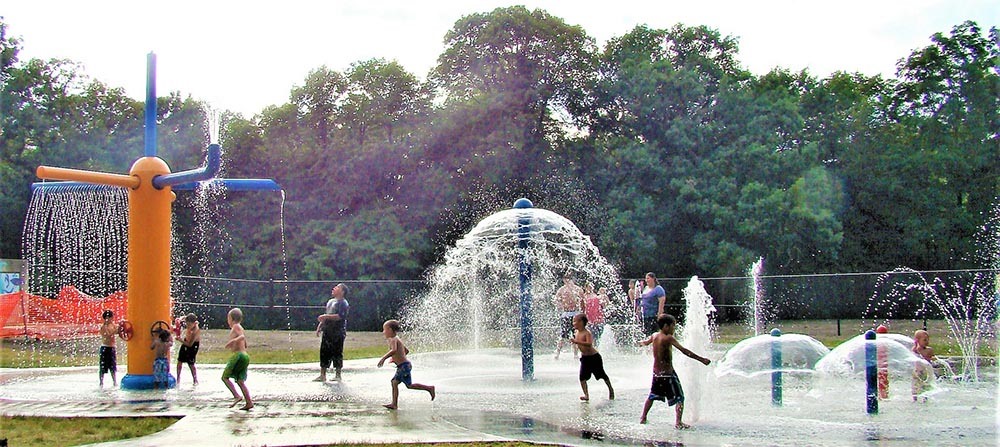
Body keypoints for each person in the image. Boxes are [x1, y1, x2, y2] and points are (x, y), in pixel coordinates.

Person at [638, 313, 711, 428]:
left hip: (656, 374)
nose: (674, 329)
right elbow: (684, 351)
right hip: (668, 375)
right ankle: (678, 422)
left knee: (652, 396)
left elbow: (645, 343)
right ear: (666, 326)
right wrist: (701, 359)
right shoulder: (668, 338)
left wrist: (641, 343)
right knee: (680, 397)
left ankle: (643, 417)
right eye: (673, 326)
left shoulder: (654, 336)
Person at [377, 319, 435, 409]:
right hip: (404, 365)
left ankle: (429, 388)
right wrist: (397, 358)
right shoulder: (396, 339)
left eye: (384, 329)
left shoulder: (393, 339)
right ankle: (394, 404)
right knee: (397, 383)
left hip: (404, 366)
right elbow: (406, 351)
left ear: (390, 330)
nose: (383, 332)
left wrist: (384, 358)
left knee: (402, 384)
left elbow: (394, 350)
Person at [570, 313, 614, 401]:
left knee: (601, 374)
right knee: (582, 377)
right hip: (585, 358)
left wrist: (577, 342)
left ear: (581, 322)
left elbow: (589, 344)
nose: (573, 323)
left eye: (575, 321)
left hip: (594, 357)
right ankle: (586, 395)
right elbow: (577, 344)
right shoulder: (577, 332)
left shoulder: (587, 333)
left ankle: (611, 390)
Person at [315, 283, 350, 382]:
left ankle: (338, 375)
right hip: (327, 331)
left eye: (337, 287)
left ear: (342, 292)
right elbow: (327, 314)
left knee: (337, 352)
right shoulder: (330, 302)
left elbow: (340, 316)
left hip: (338, 331)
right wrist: (320, 326)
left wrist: (325, 317)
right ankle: (323, 374)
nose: (334, 288)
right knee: (324, 351)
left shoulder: (343, 303)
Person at [223, 307, 253, 410]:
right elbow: (245, 343)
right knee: (240, 381)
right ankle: (249, 402)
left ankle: (236, 396)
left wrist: (232, 342)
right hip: (245, 355)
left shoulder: (236, 326)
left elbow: (242, 338)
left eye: (228, 318)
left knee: (225, 377)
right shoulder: (240, 327)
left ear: (231, 318)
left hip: (238, 355)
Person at [553, 273, 584, 359]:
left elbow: (582, 301)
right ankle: (557, 353)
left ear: (572, 280)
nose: (567, 281)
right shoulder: (561, 290)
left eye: (569, 279)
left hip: (575, 313)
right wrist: (560, 305)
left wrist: (583, 313)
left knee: (575, 335)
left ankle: (575, 354)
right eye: (565, 279)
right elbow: (556, 300)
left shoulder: (577, 289)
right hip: (566, 314)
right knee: (563, 335)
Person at [175, 313, 201, 386]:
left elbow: (190, 345)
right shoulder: (189, 321)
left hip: (193, 346)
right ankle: (178, 378)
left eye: (189, 325)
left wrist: (180, 340)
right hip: (186, 342)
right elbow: (184, 317)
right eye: (187, 325)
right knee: (179, 361)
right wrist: (179, 320)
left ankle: (195, 380)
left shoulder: (195, 331)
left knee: (191, 364)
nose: (188, 326)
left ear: (194, 323)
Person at [911, 329, 936, 402]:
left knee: (926, 385)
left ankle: (925, 398)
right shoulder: (915, 349)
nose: (927, 342)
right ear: (917, 341)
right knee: (915, 385)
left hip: (926, 371)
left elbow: (933, 357)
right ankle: (914, 399)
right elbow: (913, 355)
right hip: (917, 371)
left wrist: (933, 358)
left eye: (928, 340)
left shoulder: (929, 350)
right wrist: (917, 346)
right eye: (924, 340)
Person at [98, 309, 117, 387]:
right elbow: (107, 335)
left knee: (113, 366)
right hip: (105, 348)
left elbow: (118, 331)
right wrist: (115, 331)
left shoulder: (113, 325)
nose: (112, 319)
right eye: (111, 318)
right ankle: (101, 382)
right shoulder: (103, 327)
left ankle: (114, 382)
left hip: (112, 348)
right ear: (106, 318)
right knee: (103, 367)